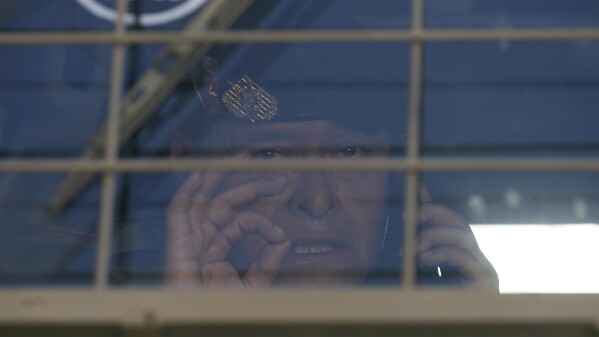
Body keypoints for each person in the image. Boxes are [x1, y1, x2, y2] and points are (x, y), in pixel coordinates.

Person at [164, 42, 498, 289]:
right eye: (269, 155)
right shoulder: (115, 293)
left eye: (350, 152)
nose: (317, 200)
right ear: (187, 163)